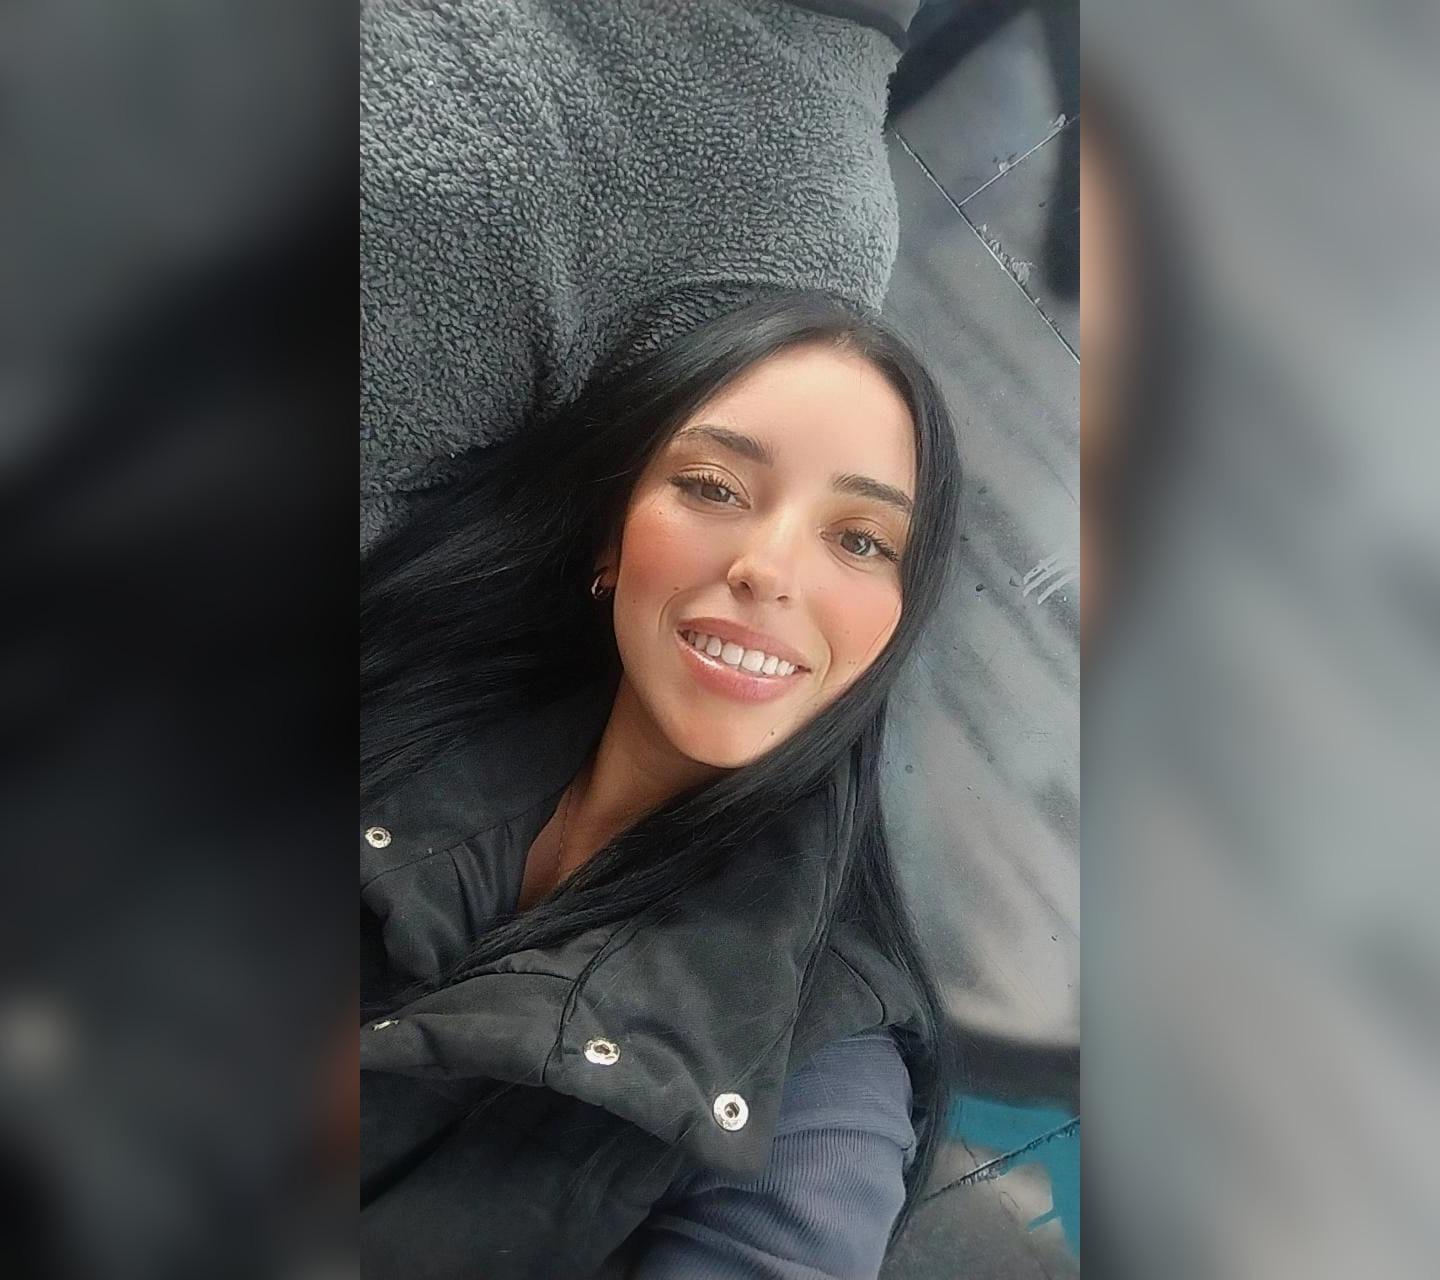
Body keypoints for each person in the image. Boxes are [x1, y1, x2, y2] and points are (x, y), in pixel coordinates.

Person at [359, 291, 961, 1279]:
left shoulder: (821, 1081)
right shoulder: (386, 707)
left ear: (895, 625)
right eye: (714, 487)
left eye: (860, 540)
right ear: (612, 538)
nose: (768, 569)